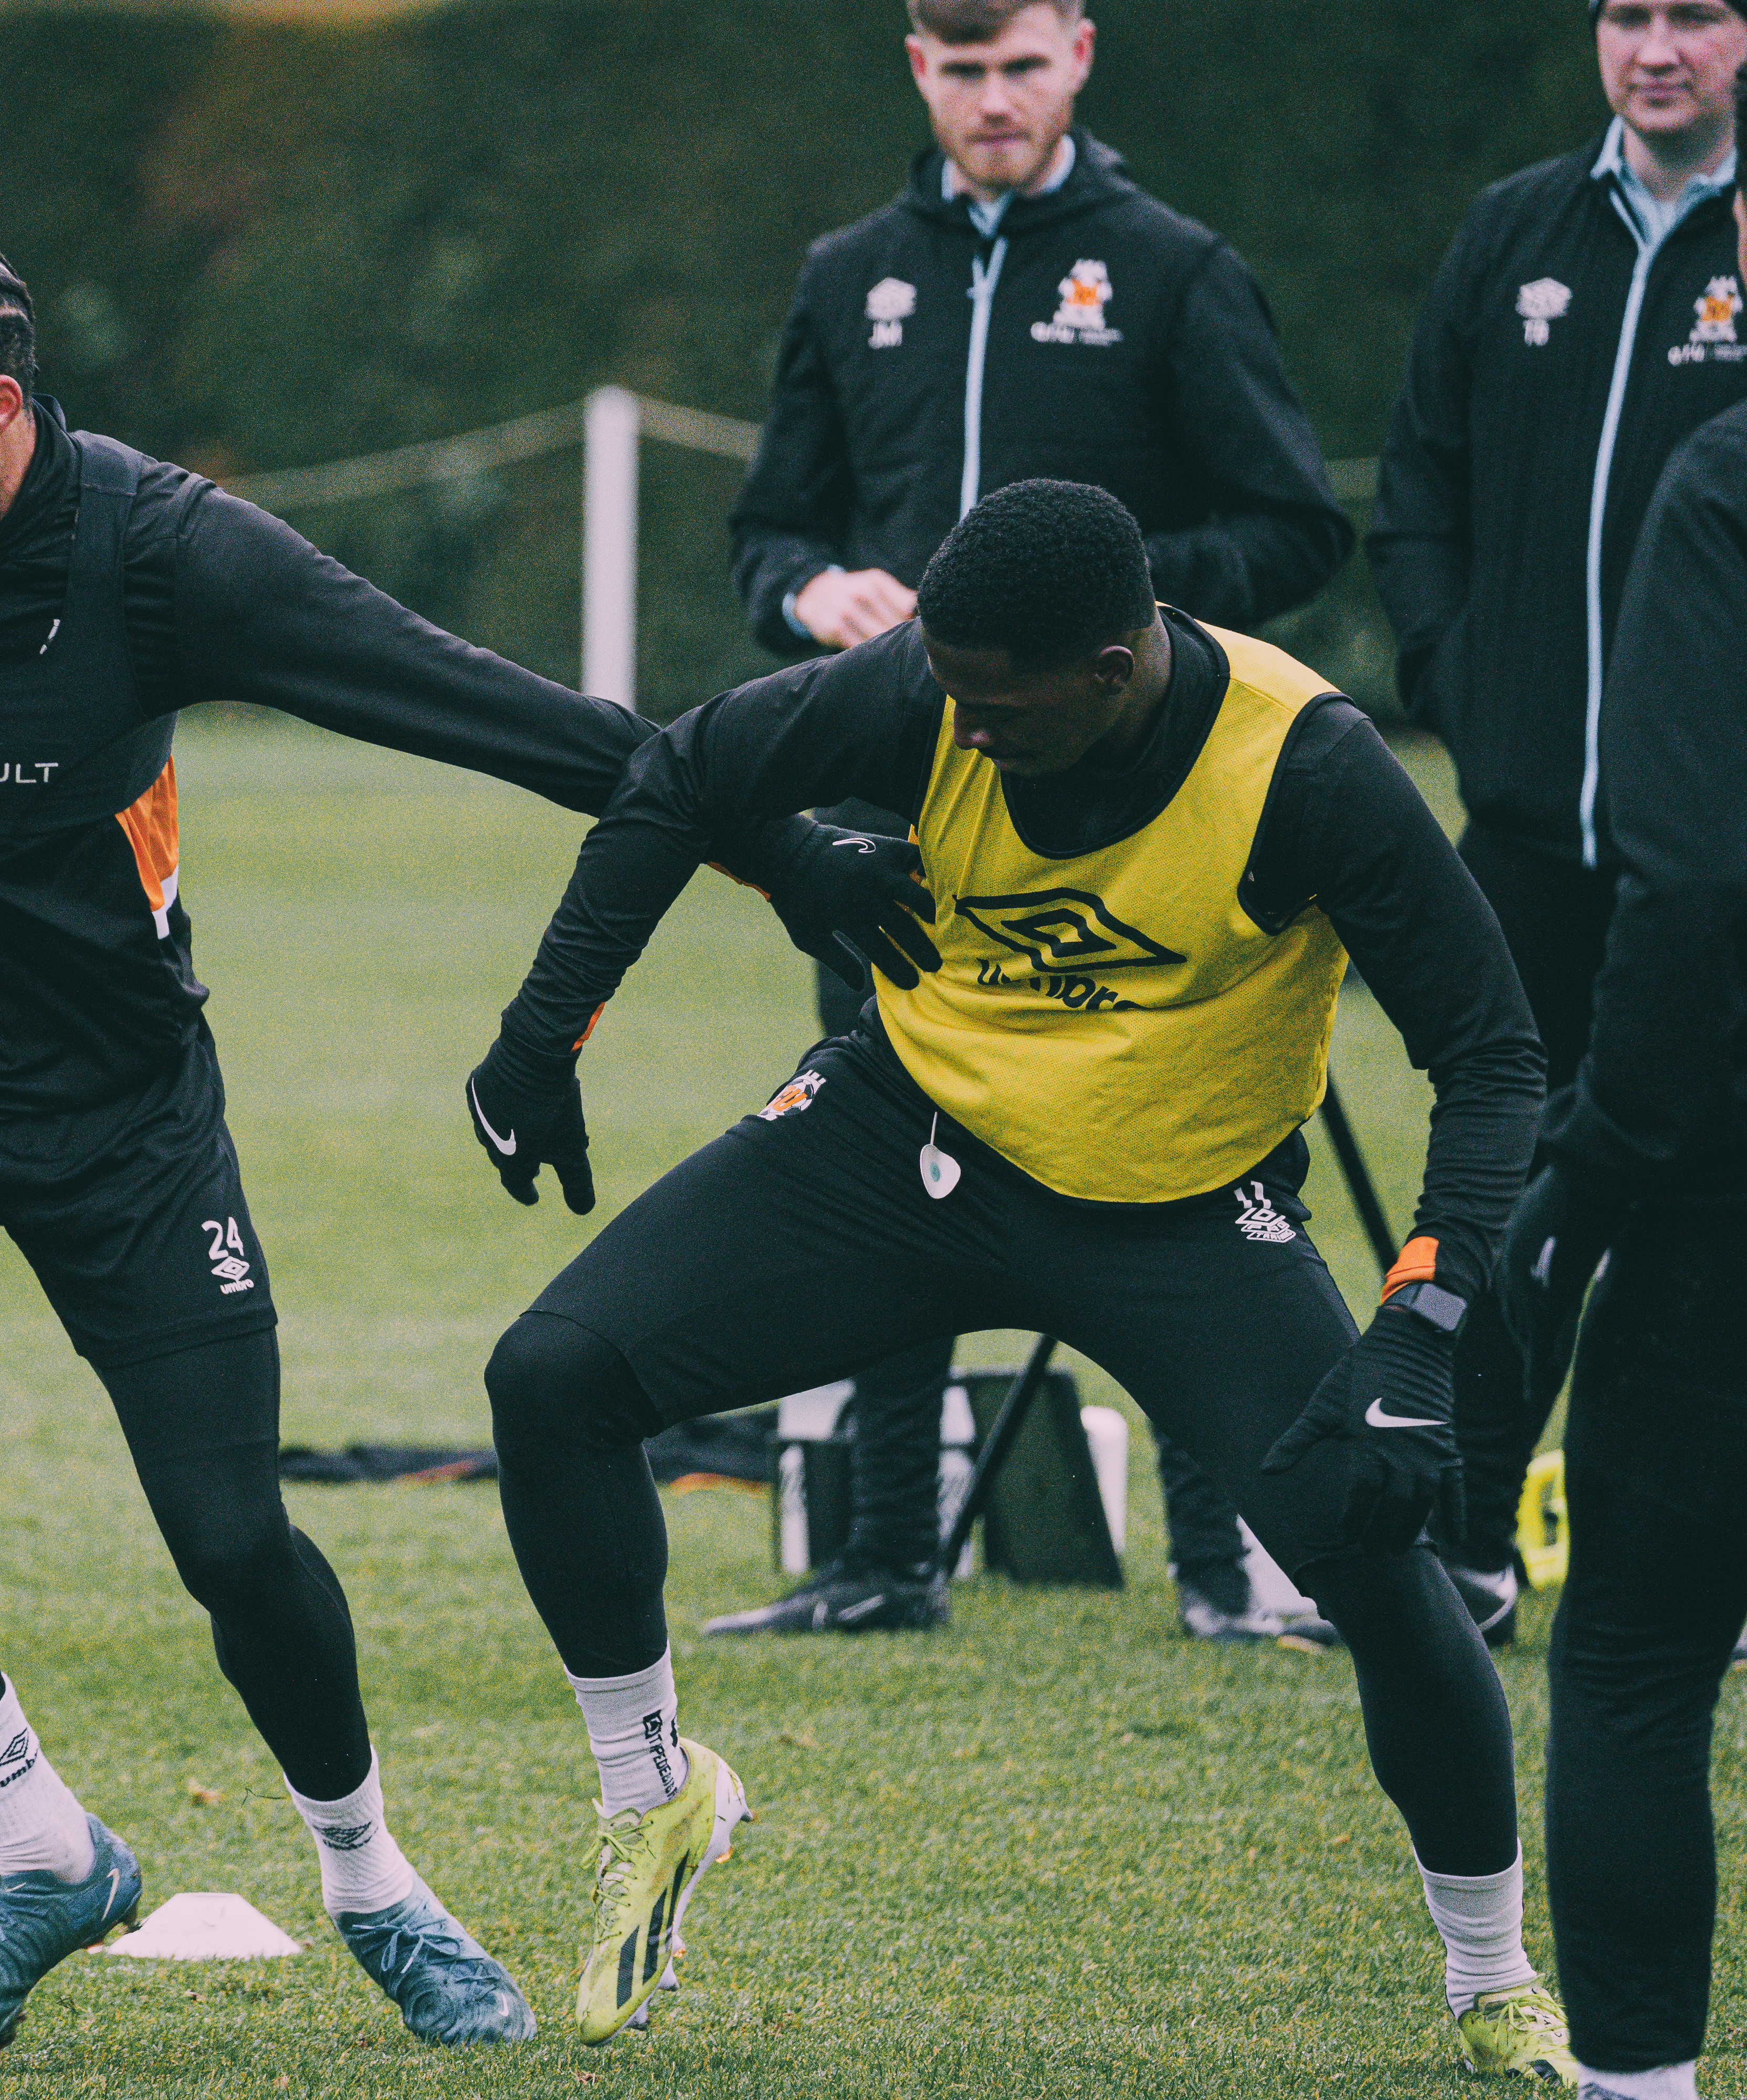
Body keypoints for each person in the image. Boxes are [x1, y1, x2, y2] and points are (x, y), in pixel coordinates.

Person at [0, 218, 908, 2063]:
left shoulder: (168, 557)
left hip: (120, 1121)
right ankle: (39, 1849)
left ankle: (372, 1884)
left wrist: (787, 848)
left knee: (235, 1539)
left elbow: (504, 714)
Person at [464, 479, 1571, 2072]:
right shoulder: (932, 677)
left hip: (1185, 1209)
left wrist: (1420, 1328)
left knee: (1378, 1555)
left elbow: (1493, 1052)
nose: (959, 734)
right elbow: (685, 772)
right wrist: (548, 1031)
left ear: (1118, 669)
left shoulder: (1307, 764)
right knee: (551, 1374)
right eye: (948, 694)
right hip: (904, 1140)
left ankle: (1493, 1981)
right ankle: (653, 1803)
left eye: (1000, 708)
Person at [719, 0, 1354, 1645]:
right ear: (915, 67)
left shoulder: (1174, 269)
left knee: (1176, 1148)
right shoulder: (846, 271)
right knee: (885, 1146)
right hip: (901, 805)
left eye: (1018, 64)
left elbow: (1291, 527)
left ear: (1078, 53)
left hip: (1139, 817)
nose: (991, 99)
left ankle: (1223, 1572)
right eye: (958, 67)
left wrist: (1111, 614)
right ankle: (880, 1564)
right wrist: (808, 591)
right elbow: (769, 524)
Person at [1369, 0, 1747, 1633]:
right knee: (1497, 1189)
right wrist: (1466, 685)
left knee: (1696, 1196)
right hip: (1526, 831)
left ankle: (1701, 1552)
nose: (1656, 46)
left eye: (1697, 13)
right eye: (1627, 13)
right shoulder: (1515, 229)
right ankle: (1458, 1536)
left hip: (1712, 862)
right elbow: (1418, 491)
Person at [1501, 179, 1747, 2100]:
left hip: (1723, 1177)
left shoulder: (1726, 484)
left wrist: (1597, 1165)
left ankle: (1643, 2086)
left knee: (1643, 1657)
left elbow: (1691, 885)